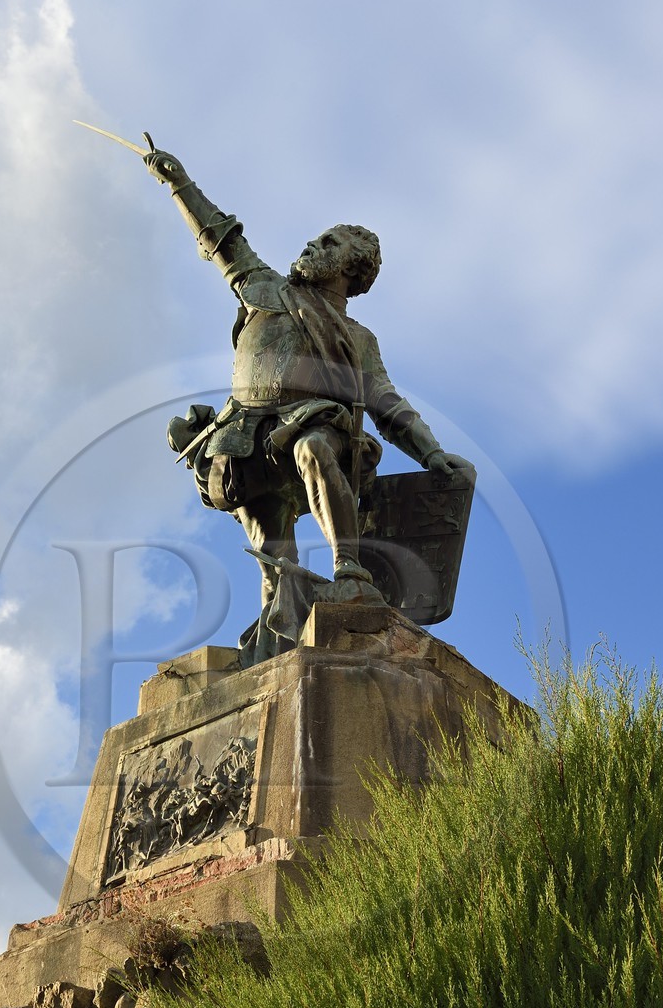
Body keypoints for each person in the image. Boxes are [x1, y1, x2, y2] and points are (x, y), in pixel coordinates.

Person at [146, 144, 470, 664]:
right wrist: (179, 182)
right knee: (271, 547)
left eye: (329, 243)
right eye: (319, 238)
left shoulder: (358, 339)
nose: (313, 245)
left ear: (352, 270)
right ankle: (280, 625)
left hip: (310, 425)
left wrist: (431, 454)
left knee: (315, 447)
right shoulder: (266, 288)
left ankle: (350, 571)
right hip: (244, 436)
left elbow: (387, 403)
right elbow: (221, 239)